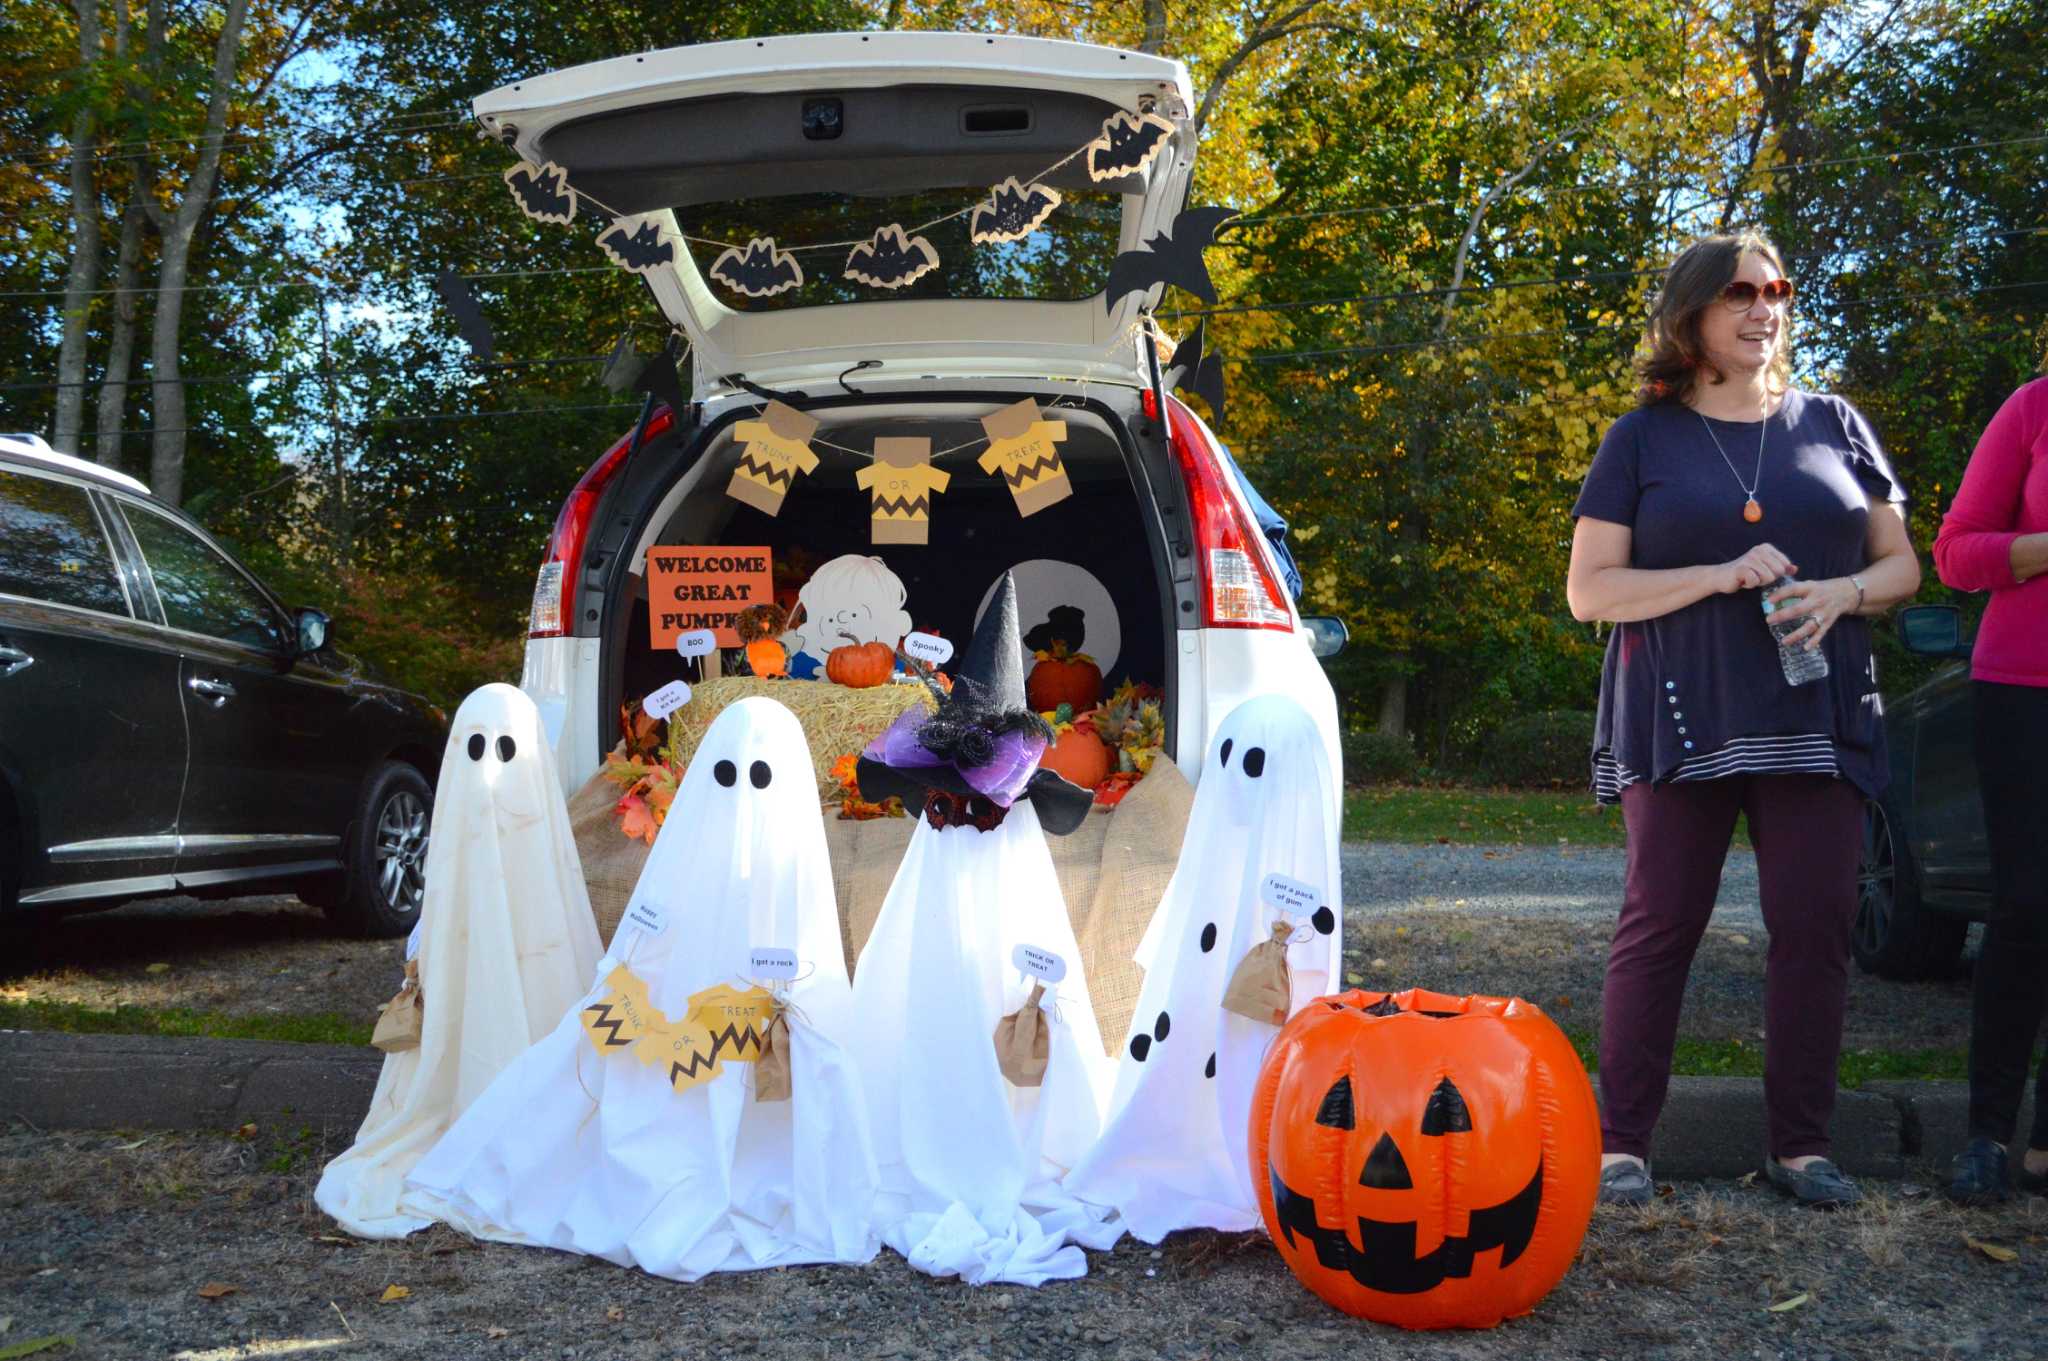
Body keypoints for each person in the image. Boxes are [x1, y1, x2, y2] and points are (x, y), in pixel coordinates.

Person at [1565, 232, 1922, 1208]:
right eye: (1737, 294)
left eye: (1774, 291)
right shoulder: (1639, 437)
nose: (1762, 307)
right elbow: (1588, 591)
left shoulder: (1835, 424)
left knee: (1813, 927)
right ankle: (1622, 1141)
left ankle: (1799, 1144)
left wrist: (1845, 591)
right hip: (1678, 713)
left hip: (1813, 712)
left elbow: (1902, 567)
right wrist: (1715, 574)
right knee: (1658, 925)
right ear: (1691, 314)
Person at [1932, 375, 2048, 1204]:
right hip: (2024, 689)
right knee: (2028, 904)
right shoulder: (2034, 406)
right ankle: (1986, 1137)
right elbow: (1956, 553)